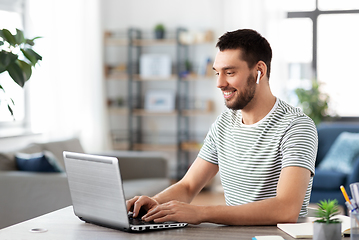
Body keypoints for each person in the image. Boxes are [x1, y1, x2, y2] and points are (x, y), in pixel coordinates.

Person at [126, 29, 318, 225]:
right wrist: (154, 203)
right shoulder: (224, 124)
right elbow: (188, 186)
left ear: (259, 71)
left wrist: (201, 213)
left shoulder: (296, 126)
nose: (219, 83)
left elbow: (286, 209)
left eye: (230, 72)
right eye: (218, 73)